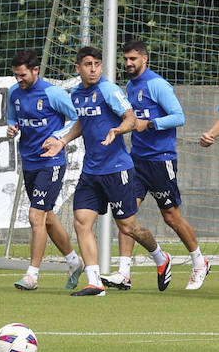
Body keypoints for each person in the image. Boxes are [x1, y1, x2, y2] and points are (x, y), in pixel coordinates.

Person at [56, 46, 170, 296]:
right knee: (81, 222)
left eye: (97, 63)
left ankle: (160, 257)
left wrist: (118, 130)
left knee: (129, 227)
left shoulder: (108, 89)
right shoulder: (77, 94)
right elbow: (82, 122)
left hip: (117, 170)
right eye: (88, 64)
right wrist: (63, 140)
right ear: (78, 68)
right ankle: (95, 282)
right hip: (91, 172)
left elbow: (130, 117)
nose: (94, 68)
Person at [108, 40, 207, 290]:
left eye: (133, 59)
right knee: (125, 215)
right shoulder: (130, 86)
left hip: (161, 160)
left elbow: (179, 117)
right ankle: (124, 272)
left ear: (145, 59)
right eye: (126, 59)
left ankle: (199, 261)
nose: (128, 63)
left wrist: (150, 124)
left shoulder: (158, 84)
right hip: (136, 160)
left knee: (171, 217)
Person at [5, 49, 82, 291]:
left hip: (52, 162)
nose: (19, 80)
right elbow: (11, 119)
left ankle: (32, 275)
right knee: (46, 216)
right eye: (16, 75)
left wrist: (58, 137)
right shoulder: (13, 93)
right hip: (29, 161)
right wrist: (12, 128)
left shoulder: (53, 93)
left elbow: (76, 119)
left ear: (35, 70)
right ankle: (73, 261)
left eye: (23, 75)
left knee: (35, 215)